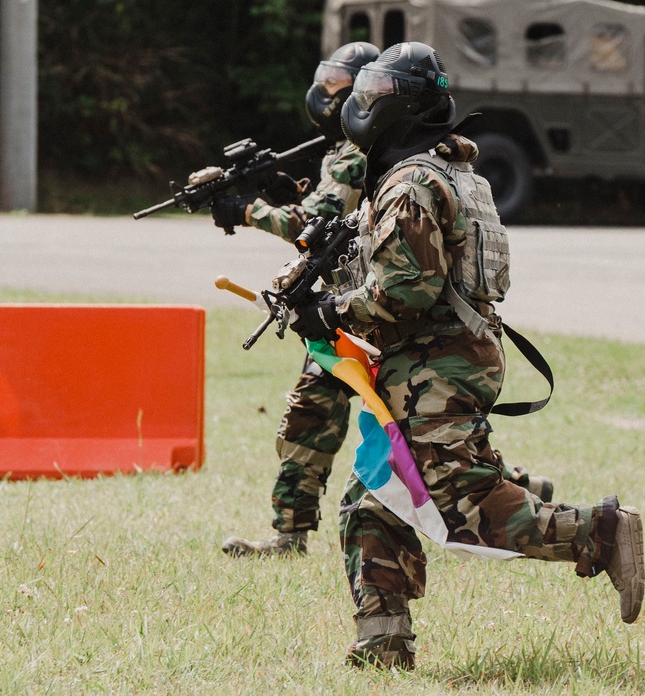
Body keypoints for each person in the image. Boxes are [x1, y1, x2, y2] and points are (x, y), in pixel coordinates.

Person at [286, 41, 645, 670]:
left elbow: (408, 288)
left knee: (460, 506)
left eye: (374, 98)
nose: (361, 108)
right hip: (443, 362)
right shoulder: (446, 172)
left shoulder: (412, 182)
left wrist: (331, 311)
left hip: (437, 369)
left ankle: (600, 532)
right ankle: (383, 641)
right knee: (374, 498)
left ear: (403, 110)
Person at [216, 42, 553, 558]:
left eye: (340, 85)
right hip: (364, 309)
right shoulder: (367, 153)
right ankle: (293, 533)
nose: (328, 95)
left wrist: (247, 211)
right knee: (387, 430)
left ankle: (519, 495)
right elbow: (329, 223)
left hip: (371, 314)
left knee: (414, 438)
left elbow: (316, 229)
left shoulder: (380, 156)